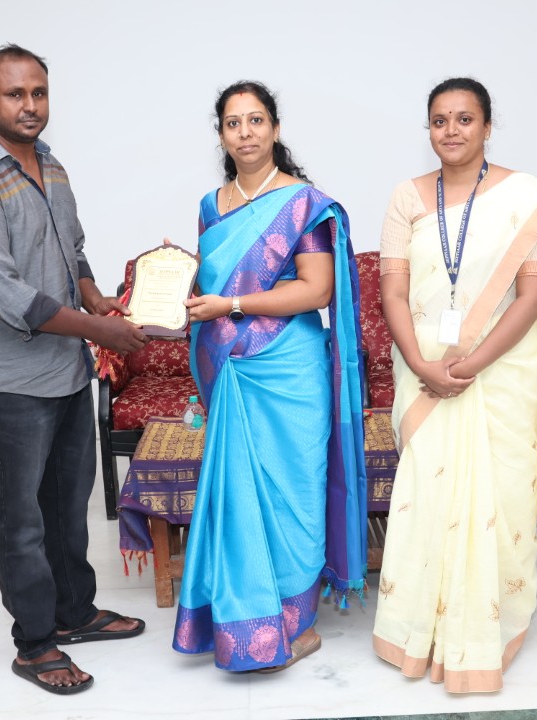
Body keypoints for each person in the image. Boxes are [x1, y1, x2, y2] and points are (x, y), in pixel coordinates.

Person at [0, 44, 148, 695]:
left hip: (65, 367)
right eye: (14, 94)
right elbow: (2, 293)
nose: (29, 106)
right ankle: (34, 643)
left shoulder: (50, 164)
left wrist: (96, 298)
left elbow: (71, 249)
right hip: (9, 377)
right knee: (21, 514)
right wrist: (100, 330)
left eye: (39, 93)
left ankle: (73, 611)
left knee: (66, 501)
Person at [372, 77, 537, 693]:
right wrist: (422, 364)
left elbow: (535, 293)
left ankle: (485, 633)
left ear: (488, 126)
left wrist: (472, 364)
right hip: (424, 373)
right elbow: (392, 290)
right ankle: (418, 630)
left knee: (501, 499)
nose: (452, 131)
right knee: (426, 500)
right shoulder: (407, 197)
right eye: (440, 120)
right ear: (428, 129)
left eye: (465, 119)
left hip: (501, 376)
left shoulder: (529, 200)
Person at [172, 80, 367, 672]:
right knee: (239, 497)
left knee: (294, 493)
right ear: (221, 136)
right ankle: (244, 623)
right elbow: (214, 284)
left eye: (256, 120)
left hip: (289, 369)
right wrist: (178, 278)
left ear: (275, 129)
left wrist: (231, 305)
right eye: (233, 123)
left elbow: (317, 289)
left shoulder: (303, 203)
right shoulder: (212, 206)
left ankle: (297, 625)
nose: (246, 133)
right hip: (231, 368)